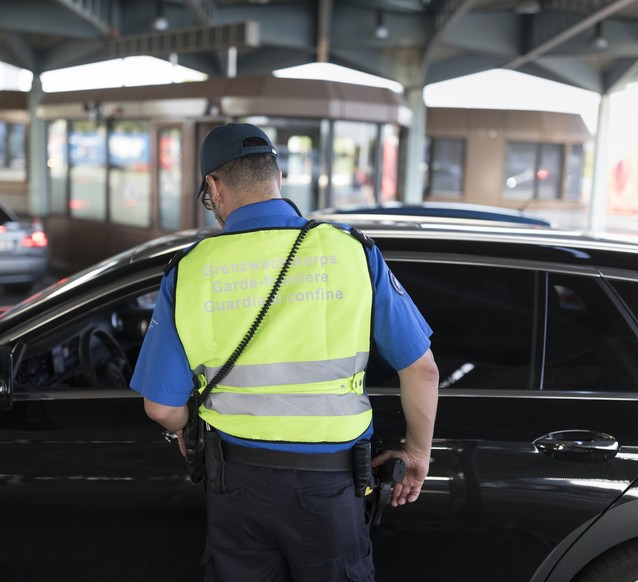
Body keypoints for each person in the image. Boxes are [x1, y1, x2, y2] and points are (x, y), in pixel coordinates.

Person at [130, 122, 439, 581]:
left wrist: (185, 425)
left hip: (235, 486)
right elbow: (422, 370)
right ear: (277, 176)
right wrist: (416, 454)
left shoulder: (190, 269)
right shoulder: (349, 250)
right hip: (331, 487)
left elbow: (160, 407)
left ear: (213, 186)